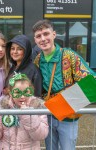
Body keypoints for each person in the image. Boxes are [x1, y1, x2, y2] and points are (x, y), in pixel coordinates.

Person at [32, 19, 96, 150]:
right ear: (35, 40)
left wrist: (62, 105)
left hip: (68, 117)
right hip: (48, 116)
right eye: (39, 36)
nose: (43, 39)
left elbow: (92, 83)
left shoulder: (69, 56)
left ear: (54, 34)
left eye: (46, 34)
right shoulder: (38, 60)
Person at [0, 73, 49, 150]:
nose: (22, 96)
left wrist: (27, 115)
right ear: (10, 93)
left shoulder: (37, 107)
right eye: (17, 93)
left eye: (26, 92)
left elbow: (41, 135)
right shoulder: (4, 107)